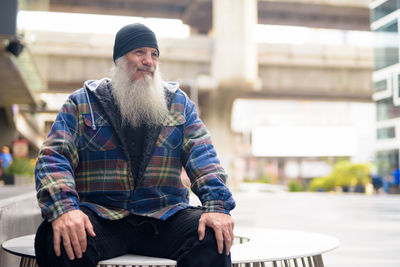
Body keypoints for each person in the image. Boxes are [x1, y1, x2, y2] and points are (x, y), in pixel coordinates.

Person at [34, 23, 235, 267]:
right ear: (120, 59)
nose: (149, 61)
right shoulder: (82, 102)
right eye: (139, 52)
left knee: (212, 236)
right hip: (101, 217)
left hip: (164, 216)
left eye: (154, 54)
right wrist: (64, 209)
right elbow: (54, 157)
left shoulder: (179, 104)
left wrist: (217, 206)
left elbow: (204, 158)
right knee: (58, 238)